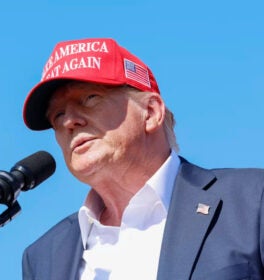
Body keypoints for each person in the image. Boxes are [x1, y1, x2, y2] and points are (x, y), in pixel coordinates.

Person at [21, 38, 264, 279]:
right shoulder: (43, 257)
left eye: (90, 98)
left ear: (150, 112)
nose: (68, 121)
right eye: (57, 115)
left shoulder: (252, 200)